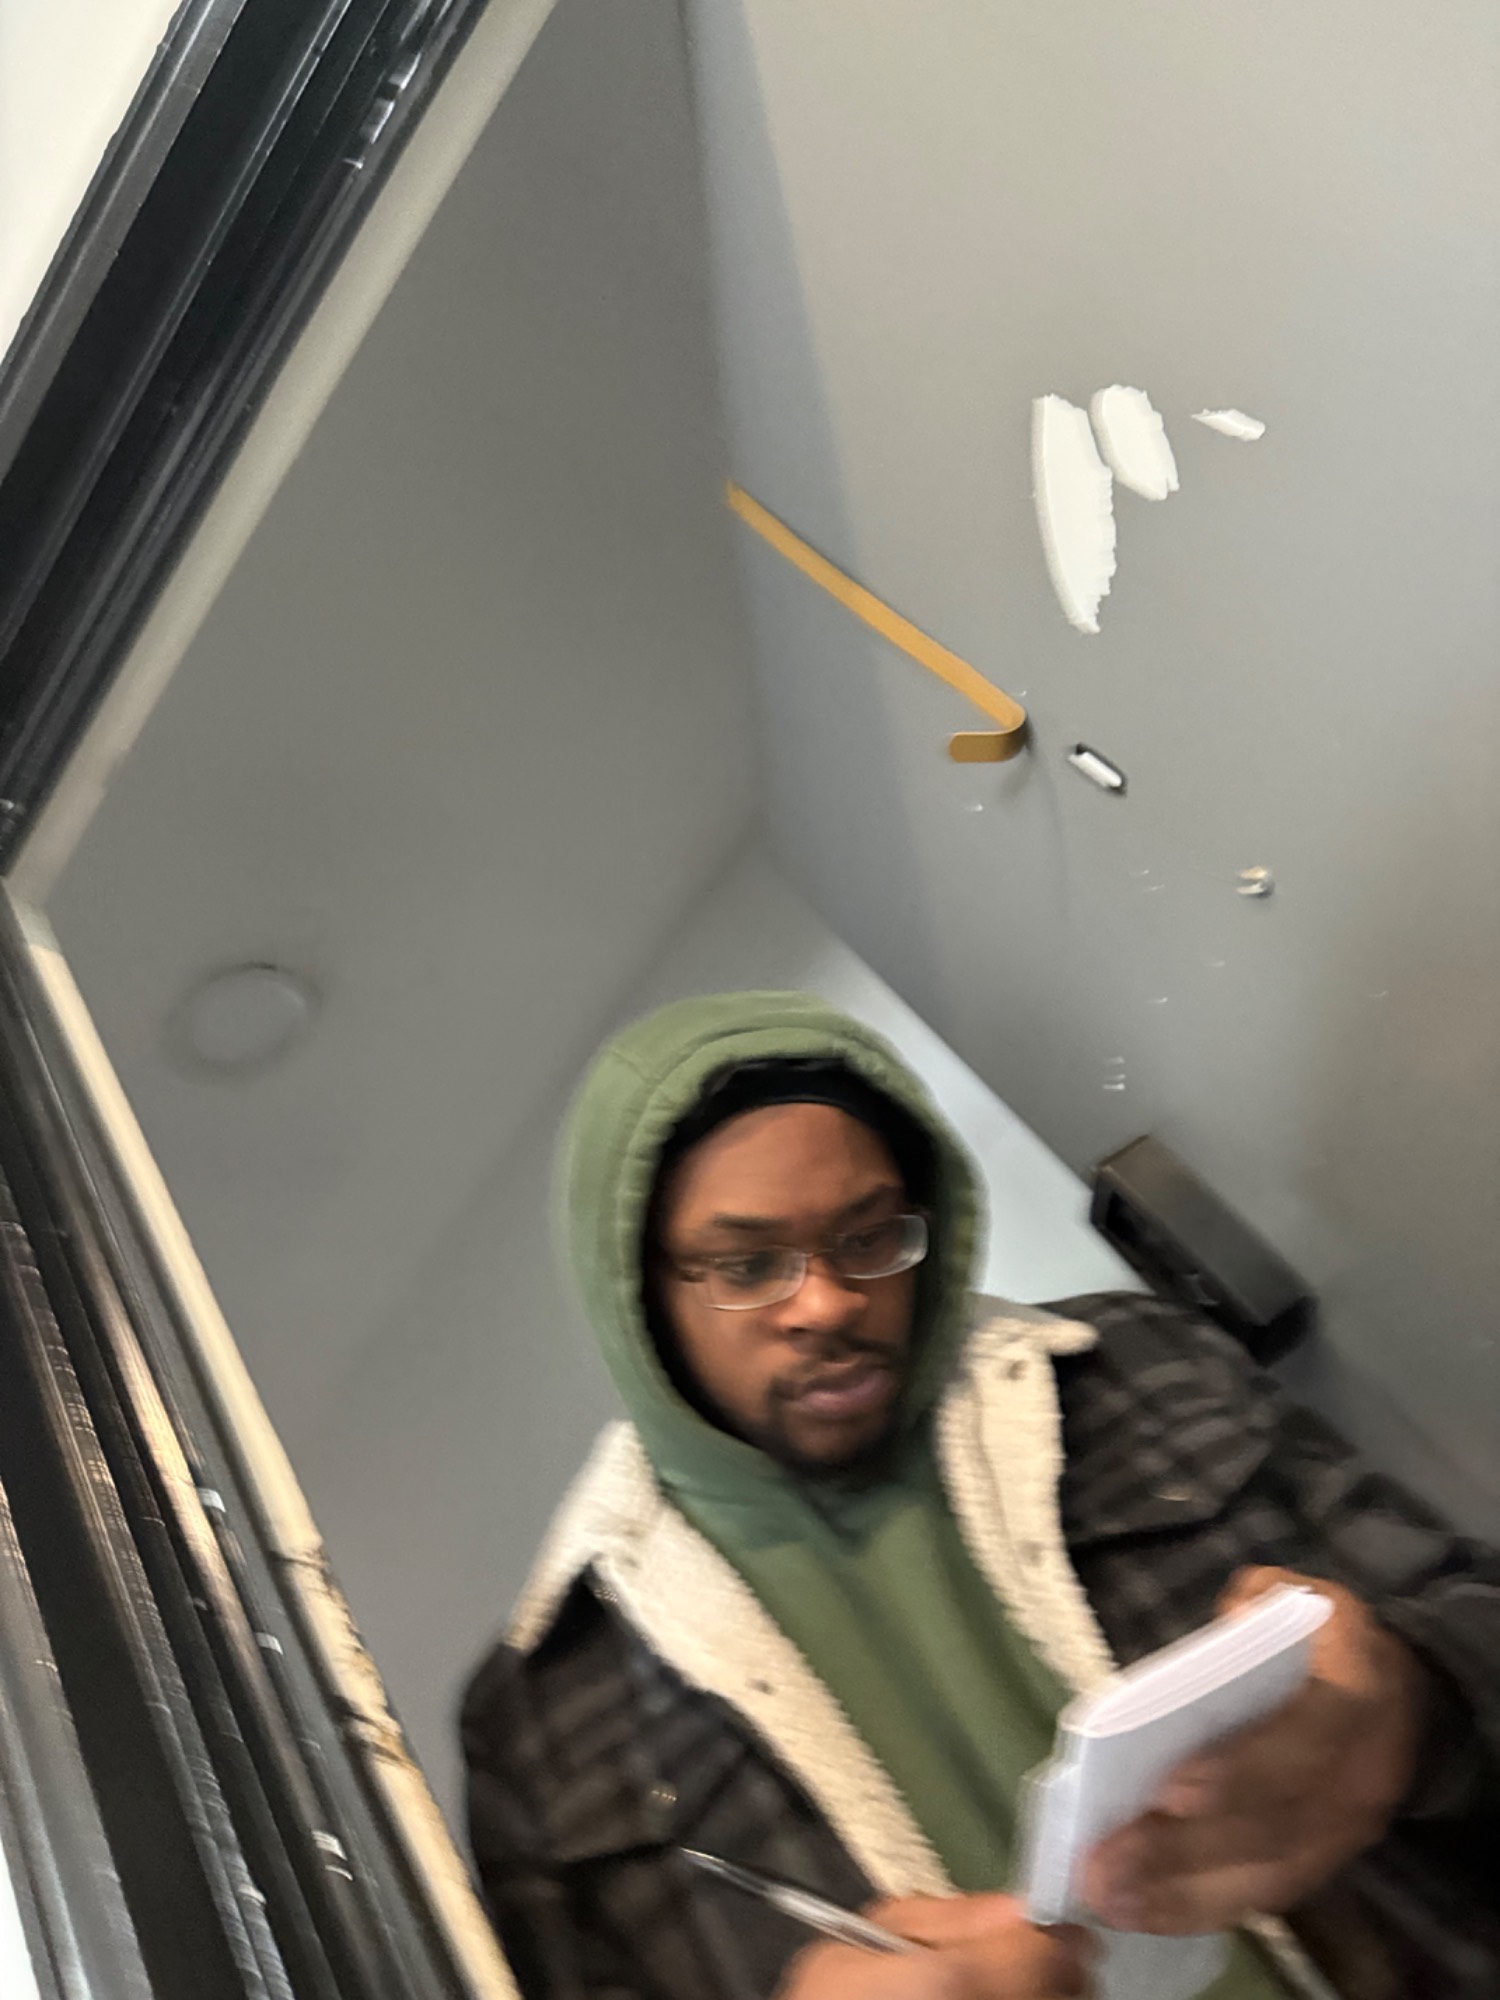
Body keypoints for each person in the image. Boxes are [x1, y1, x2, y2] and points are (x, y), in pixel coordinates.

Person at [461, 992, 1500, 2000]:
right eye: (747, 1264)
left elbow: (1473, 1609)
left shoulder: (1139, 1364)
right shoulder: (541, 1719)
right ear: (636, 1294)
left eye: (870, 1236)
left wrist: (1414, 1705)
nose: (827, 1303)